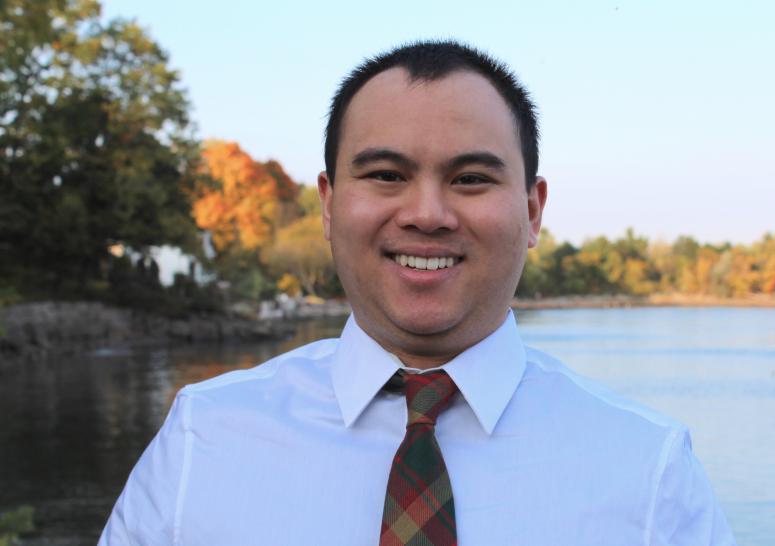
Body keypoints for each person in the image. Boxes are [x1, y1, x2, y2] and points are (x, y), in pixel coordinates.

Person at [99, 40, 735, 545]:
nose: (427, 213)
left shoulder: (648, 470)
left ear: (533, 211)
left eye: (470, 178)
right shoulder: (203, 440)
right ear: (328, 205)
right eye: (385, 174)